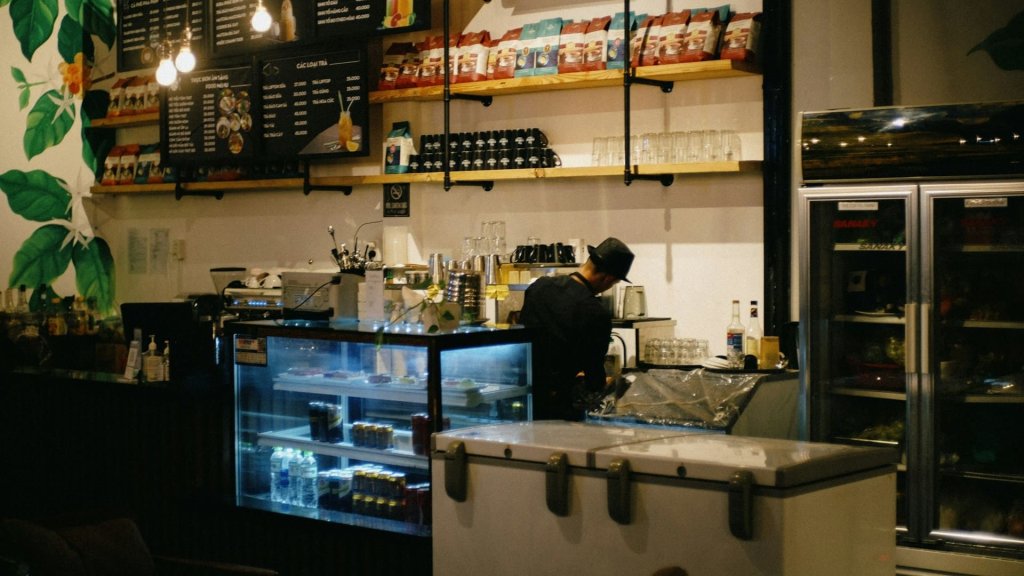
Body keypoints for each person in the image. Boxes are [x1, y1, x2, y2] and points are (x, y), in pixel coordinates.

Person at [519, 237, 634, 421]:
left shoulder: (539, 287)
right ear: (608, 278)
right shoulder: (595, 313)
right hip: (558, 405)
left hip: (522, 393)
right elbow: (594, 377)